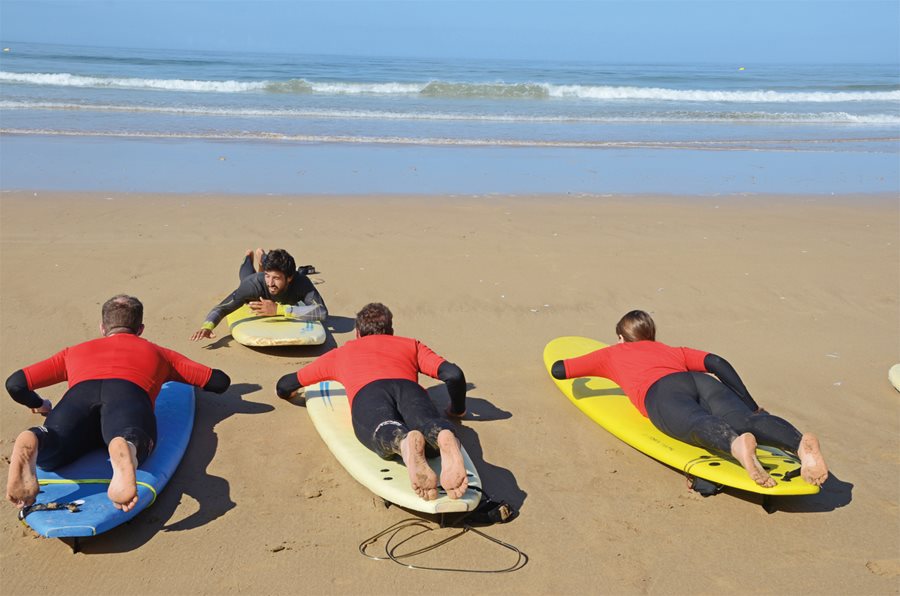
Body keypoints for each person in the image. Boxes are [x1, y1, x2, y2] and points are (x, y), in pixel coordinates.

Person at [551, 310, 828, 489]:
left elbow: (560, 369)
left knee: (696, 422)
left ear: (621, 337)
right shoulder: (673, 350)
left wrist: (591, 377)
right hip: (700, 381)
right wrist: (750, 404)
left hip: (660, 391)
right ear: (651, 334)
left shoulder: (611, 353)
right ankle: (799, 445)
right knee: (744, 420)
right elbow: (717, 362)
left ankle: (735, 444)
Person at [6, 295, 231, 512]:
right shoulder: (159, 353)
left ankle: (36, 438)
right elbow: (219, 381)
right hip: (128, 396)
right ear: (140, 329)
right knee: (131, 435)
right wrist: (172, 372)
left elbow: (15, 384)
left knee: (54, 442)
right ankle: (125, 447)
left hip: (78, 398)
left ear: (103, 328)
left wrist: (40, 404)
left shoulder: (72, 352)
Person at [276, 303, 469, 501]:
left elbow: (285, 384)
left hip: (368, 393)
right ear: (391, 331)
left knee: (383, 427)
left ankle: (403, 443)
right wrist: (457, 409)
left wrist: (287, 393)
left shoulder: (340, 354)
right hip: (409, 390)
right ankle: (443, 434)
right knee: (428, 425)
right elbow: (454, 375)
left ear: (357, 333)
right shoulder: (411, 345)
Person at [190, 248, 327, 342]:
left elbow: (322, 312)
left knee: (260, 275)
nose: (270, 283)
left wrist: (279, 310)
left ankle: (262, 257)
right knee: (246, 276)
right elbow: (222, 308)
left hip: (281, 294)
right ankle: (250, 257)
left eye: (277, 278)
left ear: (289, 278)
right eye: (268, 276)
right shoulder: (253, 284)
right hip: (254, 287)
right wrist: (207, 326)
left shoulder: (301, 282)